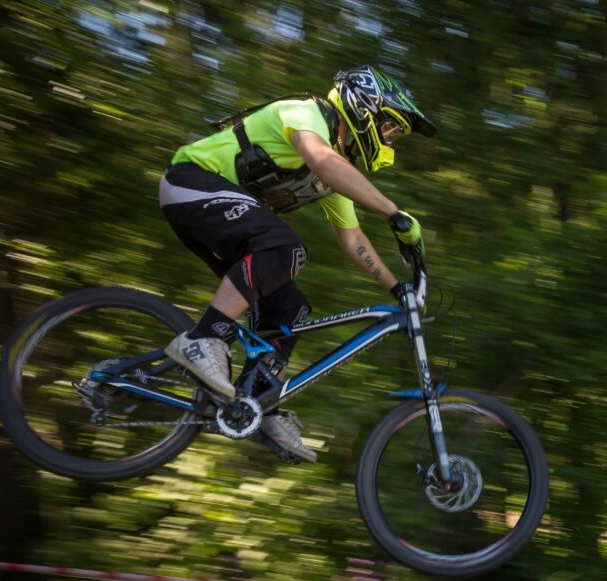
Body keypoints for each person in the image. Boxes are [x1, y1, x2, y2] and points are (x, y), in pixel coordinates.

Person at [158, 65, 435, 462]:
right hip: (190, 183)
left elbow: (352, 238)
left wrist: (397, 287)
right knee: (285, 248)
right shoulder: (307, 113)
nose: (389, 140)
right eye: (389, 128)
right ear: (365, 107)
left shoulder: (334, 170)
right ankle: (205, 338)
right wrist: (394, 213)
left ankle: (254, 405)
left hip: (214, 210)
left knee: (290, 309)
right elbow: (322, 160)